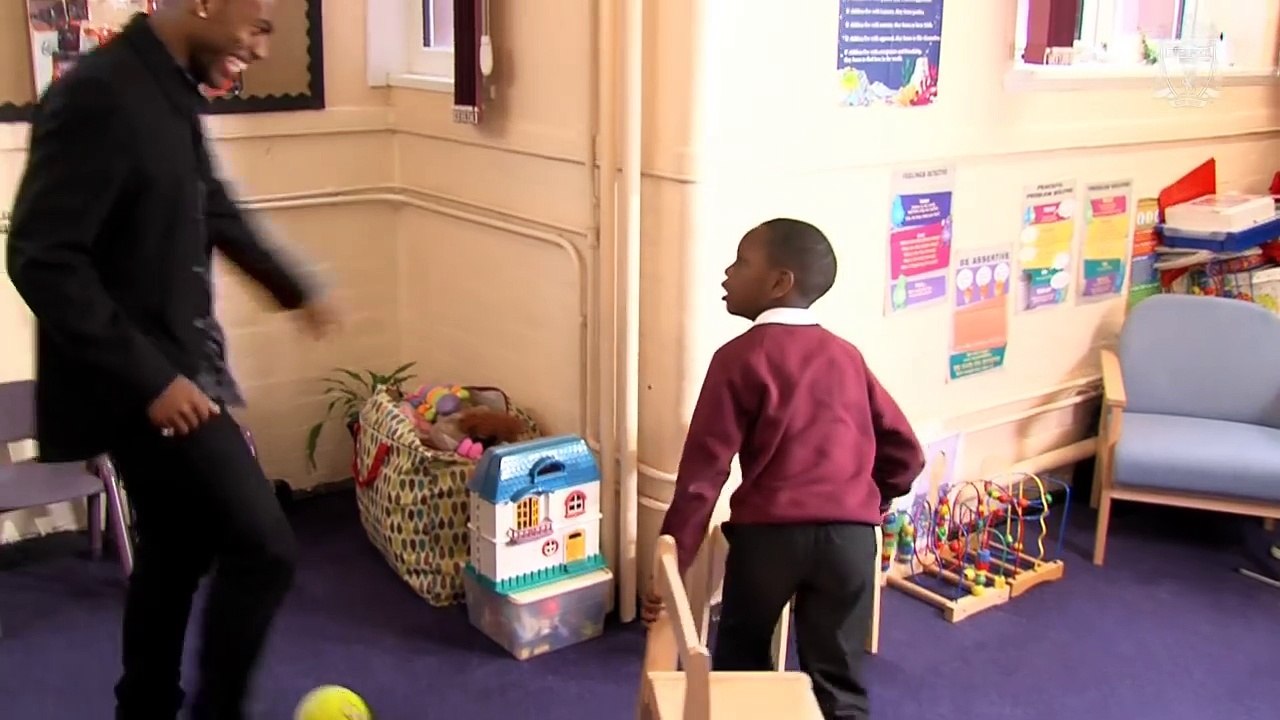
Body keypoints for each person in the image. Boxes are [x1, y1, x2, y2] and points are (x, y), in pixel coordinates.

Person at [5, 2, 338, 718]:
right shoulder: (98, 91)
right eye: (258, 23)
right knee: (264, 547)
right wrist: (151, 378)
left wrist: (291, 285)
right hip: (140, 386)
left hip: (184, 364)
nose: (261, 42)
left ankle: (145, 705)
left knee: (176, 549)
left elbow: (209, 206)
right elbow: (41, 257)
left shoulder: (166, 89)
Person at [641, 218, 924, 720]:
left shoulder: (736, 358)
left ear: (779, 282)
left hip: (769, 540)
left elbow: (703, 477)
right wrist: (871, 498)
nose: (727, 274)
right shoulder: (846, 356)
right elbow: (905, 451)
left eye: (742, 261)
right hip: (850, 540)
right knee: (838, 678)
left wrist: (673, 569)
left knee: (743, 670)